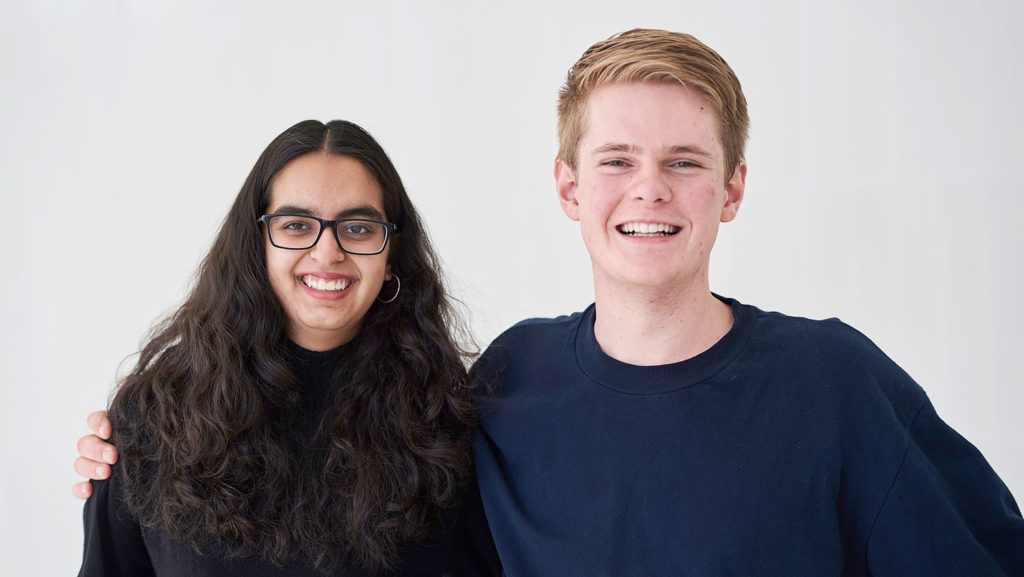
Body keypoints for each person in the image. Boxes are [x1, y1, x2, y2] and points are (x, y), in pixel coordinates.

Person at [77, 30, 1024, 575]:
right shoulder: (507, 387)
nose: (648, 191)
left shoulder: (833, 382)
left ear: (733, 188)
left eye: (684, 163)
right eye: (617, 160)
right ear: (569, 188)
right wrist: (125, 459)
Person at [74, 119, 498, 576]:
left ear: (391, 251)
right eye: (297, 225)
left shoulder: (448, 422)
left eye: (358, 228)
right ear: (256, 243)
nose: (328, 251)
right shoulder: (154, 417)